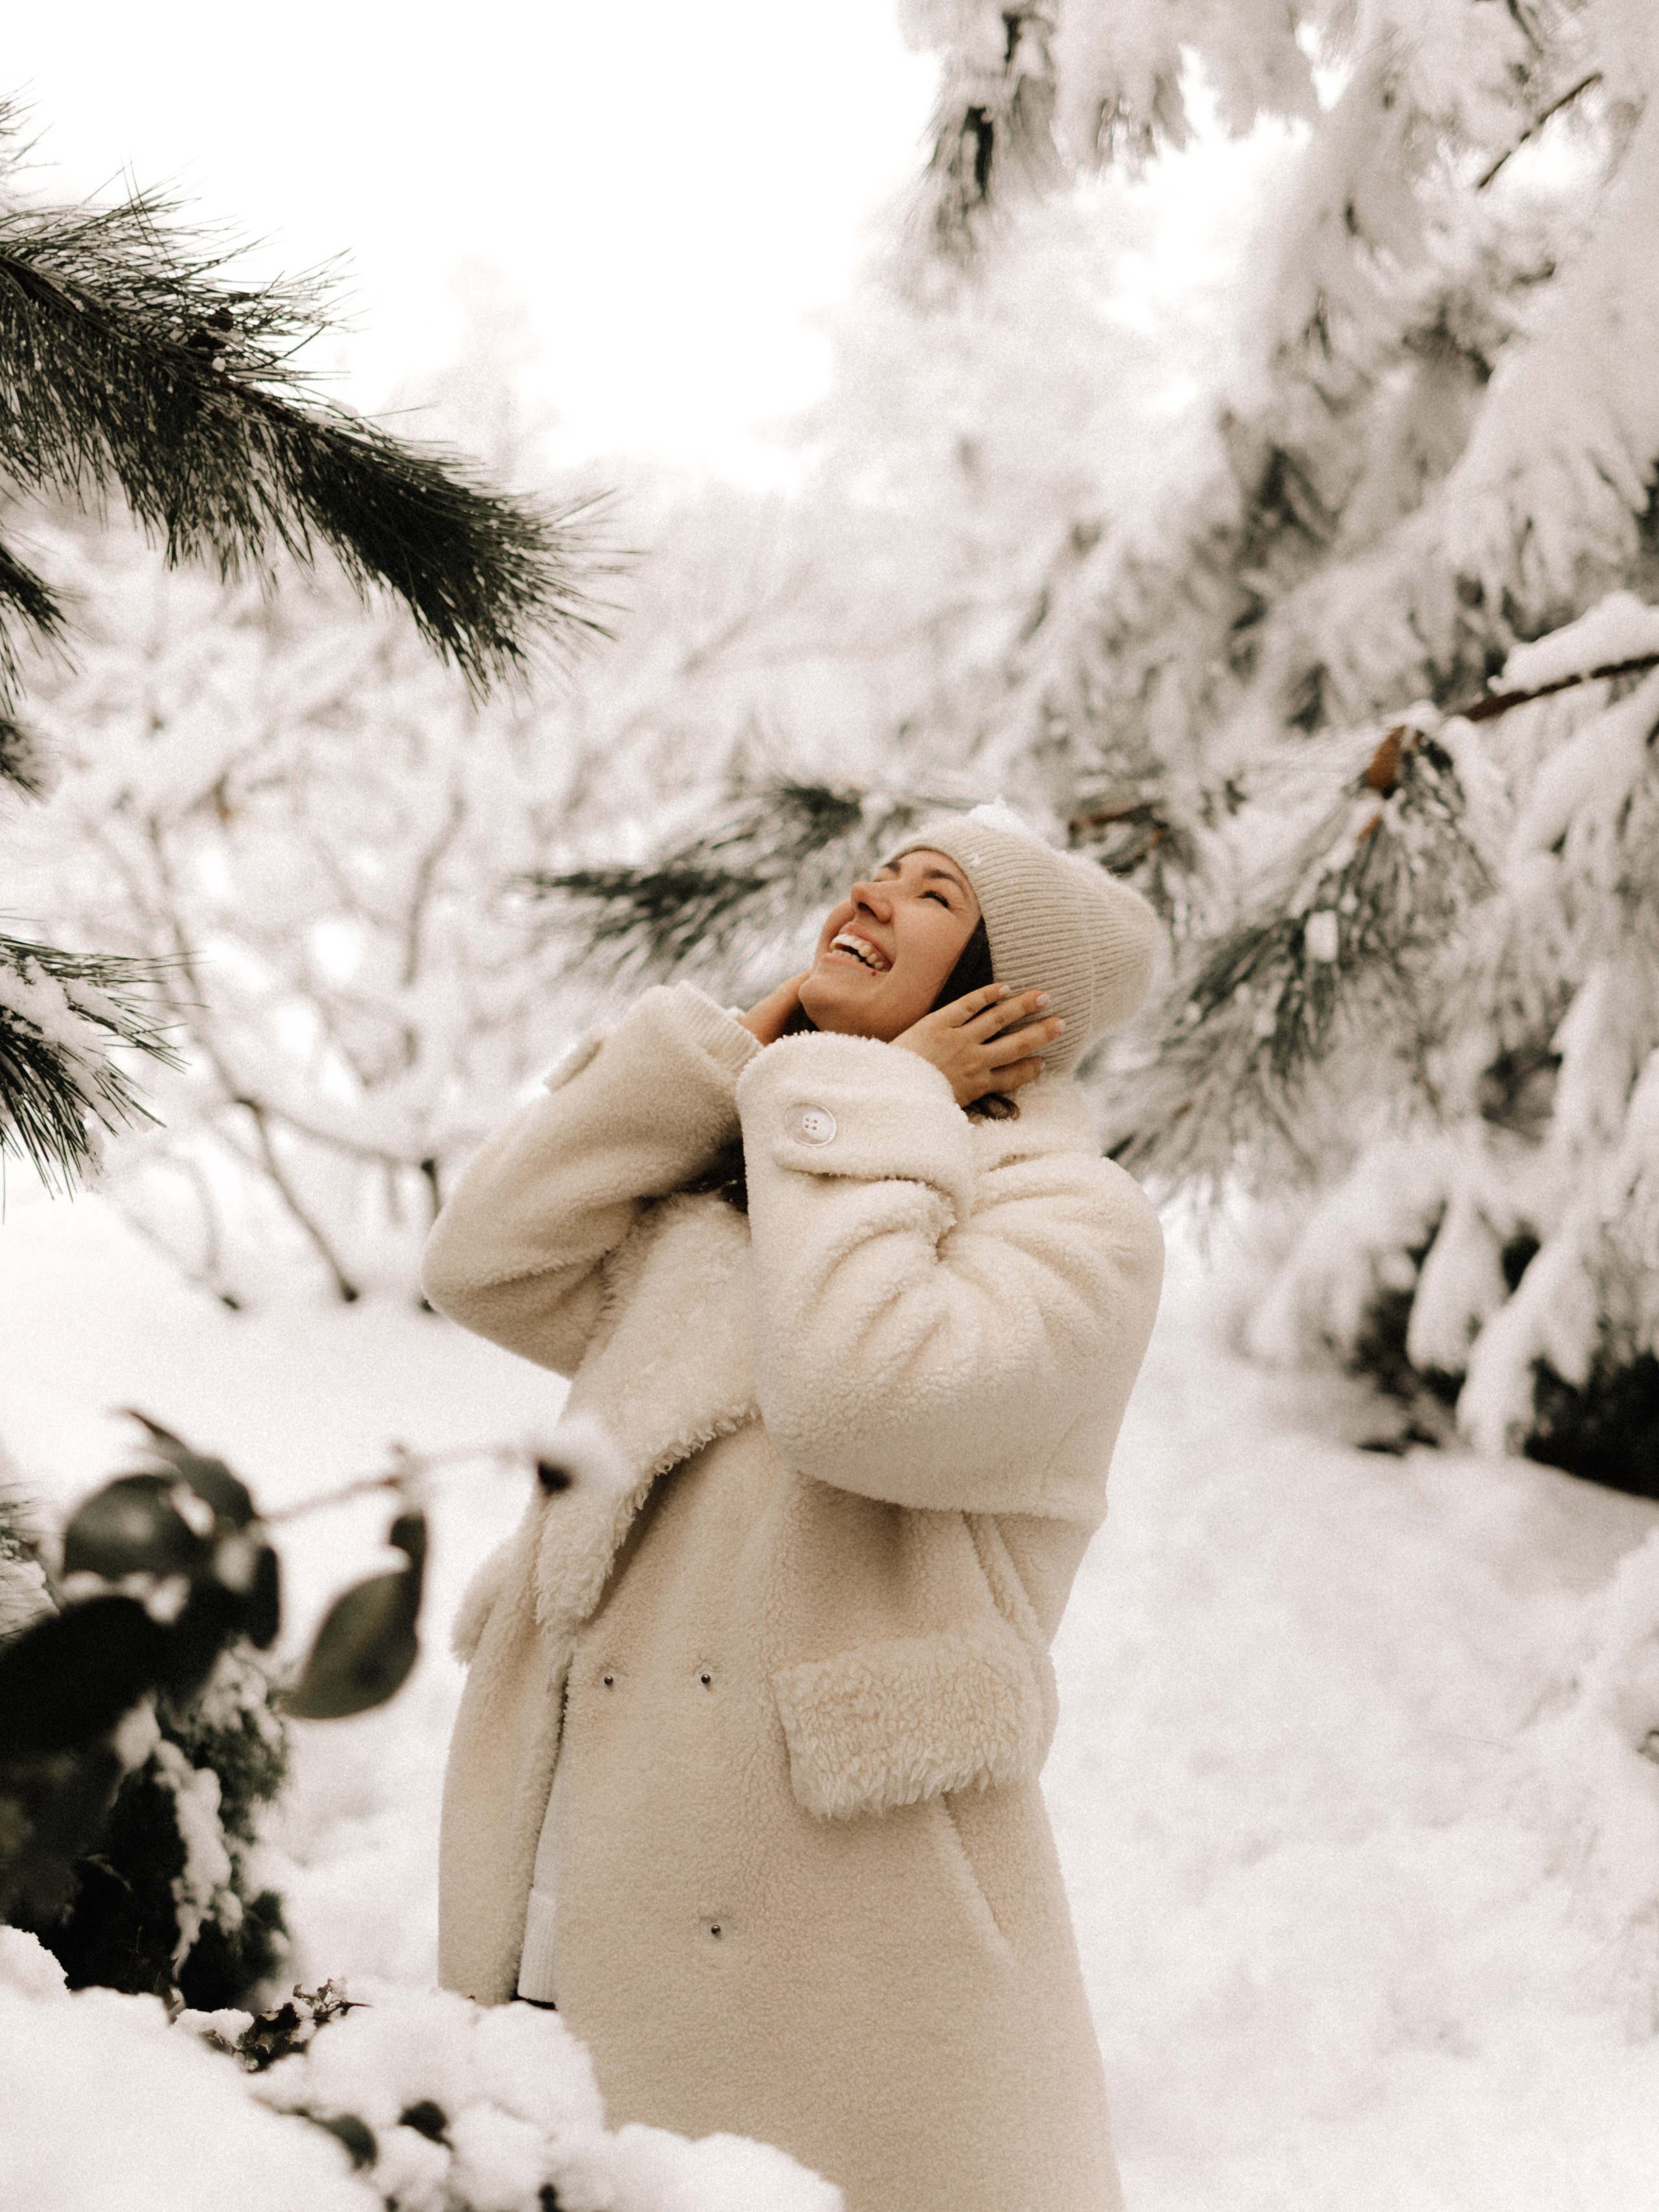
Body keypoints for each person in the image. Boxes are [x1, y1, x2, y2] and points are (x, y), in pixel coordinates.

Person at [421, 802, 1165, 2212]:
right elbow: (483, 1259)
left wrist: (864, 1100)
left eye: (930, 891)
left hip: (829, 1901)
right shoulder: (755, 1181)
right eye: (876, 870)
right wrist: (745, 1062)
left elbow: (858, 1394)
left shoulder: (1073, 1220)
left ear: (1009, 989)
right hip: (582, 1836)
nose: (871, 895)